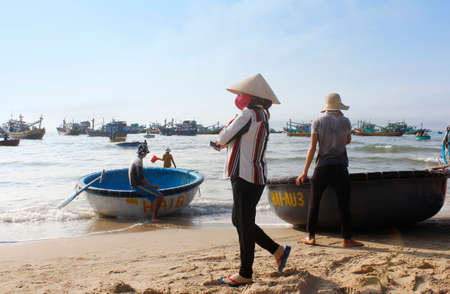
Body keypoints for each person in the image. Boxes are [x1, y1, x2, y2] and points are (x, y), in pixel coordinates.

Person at [213, 73, 291, 287]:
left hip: (243, 175)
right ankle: (277, 250)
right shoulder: (263, 115)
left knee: (243, 223)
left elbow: (223, 137)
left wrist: (219, 141)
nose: (240, 97)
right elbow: (239, 139)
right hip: (256, 175)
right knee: (240, 221)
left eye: (242, 93)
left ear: (250, 96)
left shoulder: (248, 114)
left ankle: (245, 273)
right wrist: (225, 141)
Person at [295, 93, 363, 248]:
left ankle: (311, 237)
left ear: (326, 106)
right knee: (344, 204)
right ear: (339, 107)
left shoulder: (317, 121)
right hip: (340, 166)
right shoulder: (346, 121)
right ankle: (347, 239)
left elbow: (312, 148)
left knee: (314, 203)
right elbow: (347, 141)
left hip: (322, 167)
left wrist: (305, 171)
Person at [128, 141, 164, 223]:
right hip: (137, 185)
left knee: (155, 193)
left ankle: (152, 212)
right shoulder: (138, 161)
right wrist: (152, 186)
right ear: (143, 153)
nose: (146, 155)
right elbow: (141, 178)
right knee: (160, 196)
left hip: (136, 184)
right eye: (146, 153)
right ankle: (153, 217)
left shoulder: (136, 158)